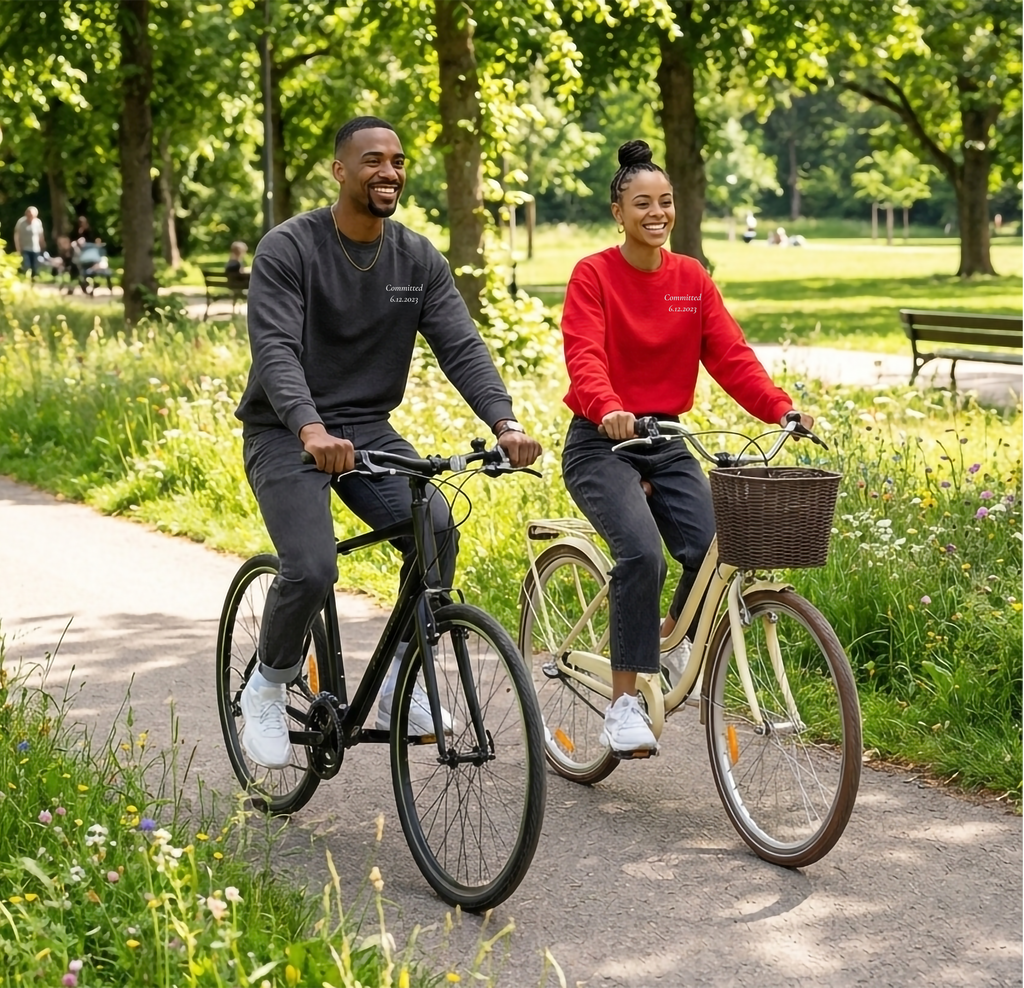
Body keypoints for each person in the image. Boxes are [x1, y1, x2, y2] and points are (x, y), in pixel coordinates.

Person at [234, 115, 542, 769]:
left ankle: (407, 682)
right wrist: (309, 426)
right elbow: (277, 349)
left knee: (436, 526)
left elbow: (461, 345)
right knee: (314, 567)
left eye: (398, 161)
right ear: (340, 171)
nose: (389, 172)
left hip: (368, 429)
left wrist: (504, 422)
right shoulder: (288, 249)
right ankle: (267, 681)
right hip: (286, 430)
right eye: (373, 160)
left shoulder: (416, 259)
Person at [558, 140, 813, 754]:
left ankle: (666, 644)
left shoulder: (691, 278)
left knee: (713, 547)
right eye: (641, 202)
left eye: (665, 202)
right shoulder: (593, 274)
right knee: (642, 553)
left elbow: (731, 356)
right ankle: (622, 705)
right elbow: (584, 354)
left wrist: (783, 409)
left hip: (667, 439)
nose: (657, 213)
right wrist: (609, 408)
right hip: (602, 440)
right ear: (618, 211)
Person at [13, 206, 46, 280]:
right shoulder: (21, 222)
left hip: (35, 248)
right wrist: (18, 247)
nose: (31, 216)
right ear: (26, 213)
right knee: (26, 265)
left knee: (35, 267)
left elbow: (41, 235)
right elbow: (17, 235)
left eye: (33, 215)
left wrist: (42, 244)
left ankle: (33, 280)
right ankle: (22, 278)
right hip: (24, 248)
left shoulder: (38, 222)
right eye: (29, 214)